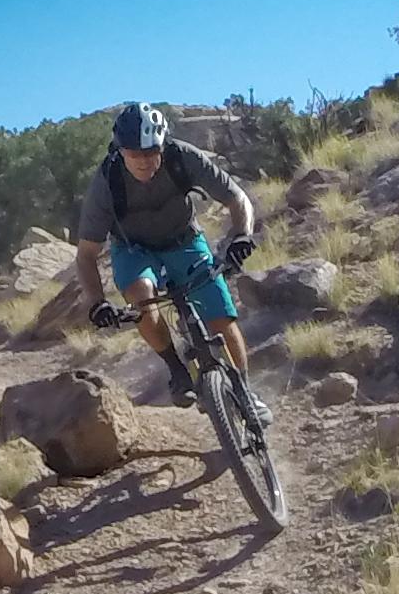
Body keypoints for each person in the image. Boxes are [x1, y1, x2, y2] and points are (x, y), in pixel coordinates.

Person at [76, 103, 272, 425]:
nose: (143, 160)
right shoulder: (107, 181)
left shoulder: (183, 157)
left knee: (221, 318)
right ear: (120, 149)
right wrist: (97, 303)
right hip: (134, 249)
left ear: (162, 144)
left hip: (185, 240)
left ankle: (245, 393)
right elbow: (86, 254)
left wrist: (241, 236)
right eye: (134, 153)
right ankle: (176, 369)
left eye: (151, 152)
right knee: (141, 300)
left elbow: (237, 198)